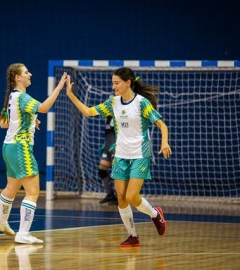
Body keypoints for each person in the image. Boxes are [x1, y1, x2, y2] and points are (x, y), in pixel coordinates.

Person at [66, 67, 172, 247]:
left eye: (117, 83)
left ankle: (155, 214)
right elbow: (88, 112)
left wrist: (164, 143)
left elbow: (162, 125)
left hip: (140, 154)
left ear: (128, 83)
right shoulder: (113, 102)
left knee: (132, 197)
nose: (113, 86)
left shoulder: (142, 103)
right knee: (121, 199)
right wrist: (70, 95)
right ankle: (133, 236)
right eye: (112, 83)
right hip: (121, 154)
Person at [0, 63, 67, 244]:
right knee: (33, 191)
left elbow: (4, 123)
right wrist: (58, 88)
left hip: (8, 146)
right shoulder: (22, 97)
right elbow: (44, 108)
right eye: (26, 72)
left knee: (11, 188)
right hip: (20, 147)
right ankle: (23, 233)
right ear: (18, 77)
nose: (30, 74)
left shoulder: (11, 97)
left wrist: (31, 122)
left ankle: (1, 222)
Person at [98, 115, 118, 205]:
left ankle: (120, 197)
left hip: (115, 147)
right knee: (102, 170)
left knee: (117, 172)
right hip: (107, 147)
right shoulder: (107, 115)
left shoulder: (118, 114)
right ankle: (110, 195)